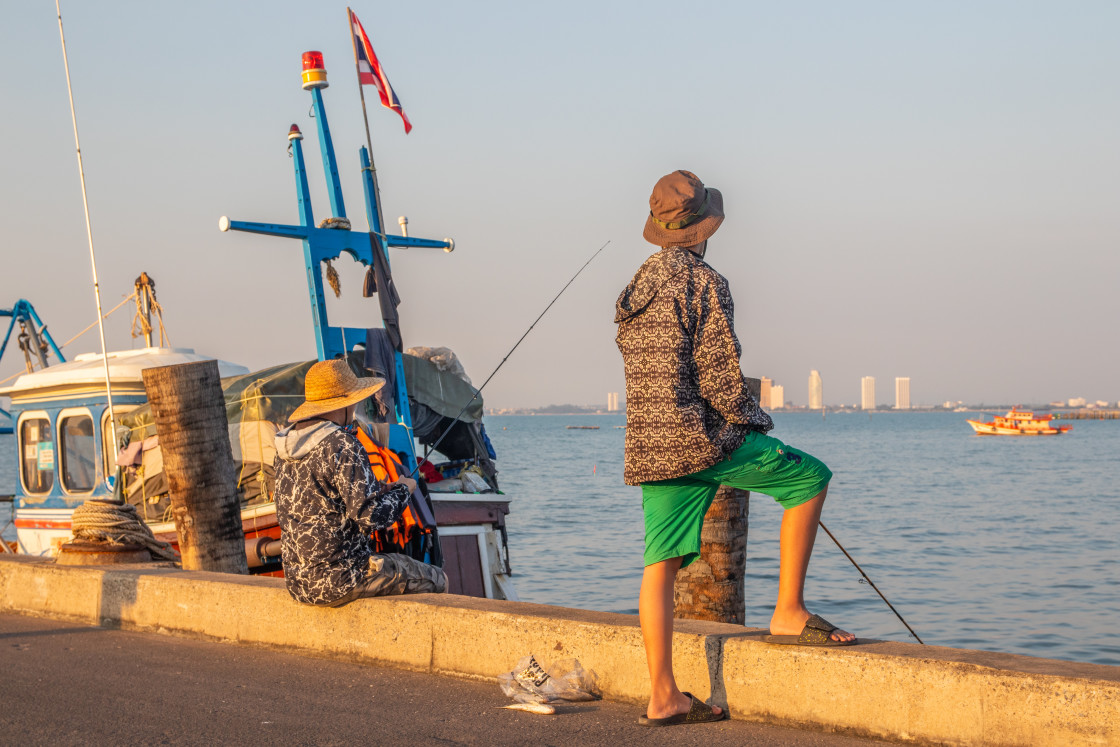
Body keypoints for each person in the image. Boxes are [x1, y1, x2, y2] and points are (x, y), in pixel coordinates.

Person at [615, 170, 856, 727]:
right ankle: (789, 613)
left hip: (652, 447)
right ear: (702, 229)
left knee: (662, 563)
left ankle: (663, 696)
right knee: (809, 478)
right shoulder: (703, 281)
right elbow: (721, 378)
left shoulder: (633, 287)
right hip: (703, 439)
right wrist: (756, 422)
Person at [273, 358, 447, 606]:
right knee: (437, 579)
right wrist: (404, 489)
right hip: (342, 580)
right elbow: (372, 517)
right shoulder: (342, 444)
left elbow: (323, 501)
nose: (355, 406)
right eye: (353, 400)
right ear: (342, 403)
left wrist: (380, 491)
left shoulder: (284, 447)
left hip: (299, 583)